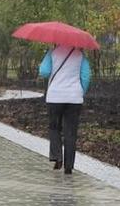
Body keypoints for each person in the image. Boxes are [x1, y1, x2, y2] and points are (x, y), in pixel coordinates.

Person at [39, 44, 91, 174]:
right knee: (71, 132)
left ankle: (57, 157)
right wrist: (80, 92)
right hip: (74, 99)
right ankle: (69, 166)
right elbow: (86, 76)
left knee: (54, 128)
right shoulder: (80, 55)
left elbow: (44, 72)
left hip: (55, 97)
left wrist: (48, 57)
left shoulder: (53, 52)